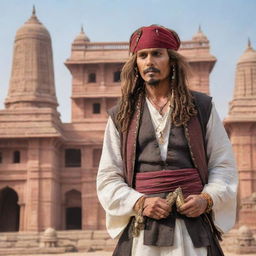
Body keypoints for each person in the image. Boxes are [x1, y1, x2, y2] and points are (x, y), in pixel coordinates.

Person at [97, 24, 237, 256]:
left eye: (157, 54)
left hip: (194, 230)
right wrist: (140, 202)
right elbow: (108, 176)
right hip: (143, 230)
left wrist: (206, 198)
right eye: (142, 55)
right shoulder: (122, 115)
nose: (149, 61)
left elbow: (223, 165)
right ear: (136, 65)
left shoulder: (201, 108)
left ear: (171, 61)